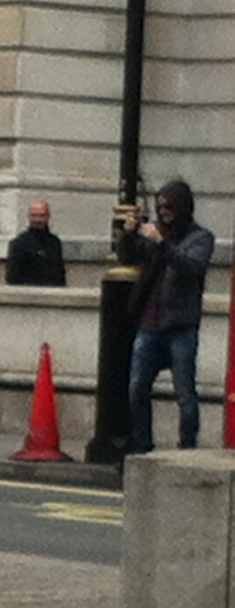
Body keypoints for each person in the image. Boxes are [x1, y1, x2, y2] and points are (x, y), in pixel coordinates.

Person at [117, 179, 213, 453]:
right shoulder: (155, 234)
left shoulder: (201, 238)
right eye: (160, 207)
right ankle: (142, 444)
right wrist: (129, 233)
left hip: (181, 326)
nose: (163, 212)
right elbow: (128, 256)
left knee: (185, 394)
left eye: (169, 206)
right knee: (136, 387)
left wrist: (161, 243)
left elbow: (189, 267)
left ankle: (186, 449)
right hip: (149, 324)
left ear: (182, 207)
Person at [6, 198, 66, 286]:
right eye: (34, 216)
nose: (37, 220)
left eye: (41, 216)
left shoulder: (54, 243)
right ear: (28, 217)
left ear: (48, 216)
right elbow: (13, 279)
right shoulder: (19, 244)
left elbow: (60, 276)